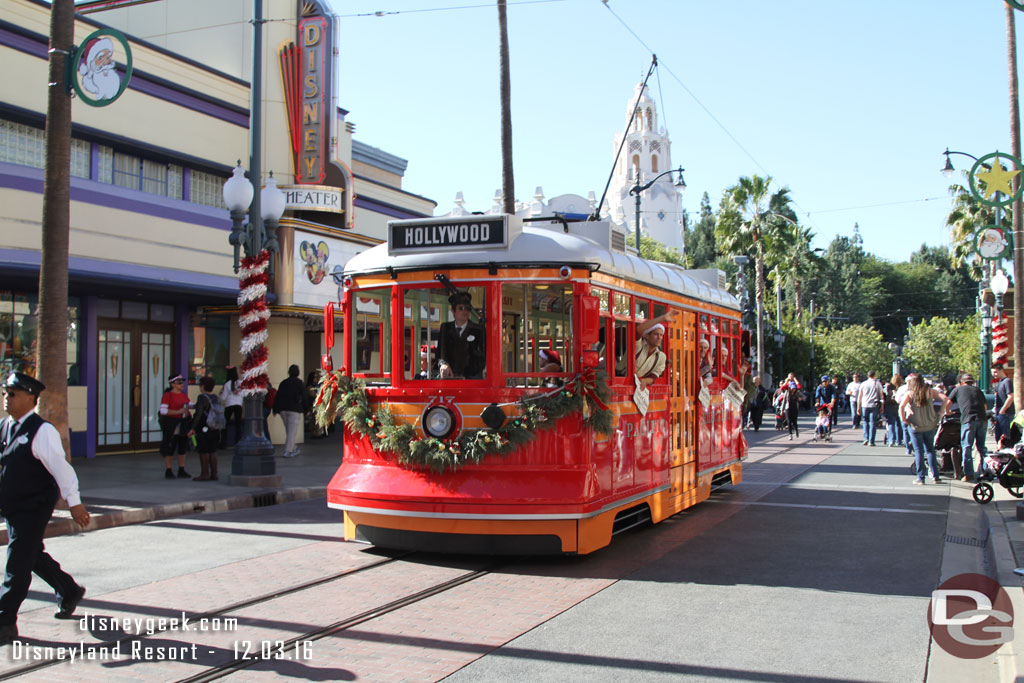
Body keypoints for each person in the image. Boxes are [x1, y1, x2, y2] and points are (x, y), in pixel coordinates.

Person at [0, 372, 90, 644]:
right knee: (30, 553)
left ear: (31, 397)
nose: (7, 398)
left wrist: (74, 503)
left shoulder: (43, 431)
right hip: (13, 504)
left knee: (18, 561)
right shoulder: (6, 426)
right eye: (5, 392)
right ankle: (68, 589)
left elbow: (61, 469)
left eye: (13, 393)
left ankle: (4, 621)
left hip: (35, 505)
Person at [899, 373, 948, 485]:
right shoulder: (930, 391)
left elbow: (901, 406)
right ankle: (935, 476)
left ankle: (921, 477)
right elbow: (945, 398)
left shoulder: (910, 394)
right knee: (930, 450)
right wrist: (940, 412)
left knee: (918, 451)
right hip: (929, 424)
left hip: (915, 425)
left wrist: (904, 419)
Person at [947, 373, 988, 481]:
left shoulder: (958, 389)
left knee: (967, 447)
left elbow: (948, 403)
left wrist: (947, 412)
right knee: (982, 448)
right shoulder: (978, 390)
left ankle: (969, 474)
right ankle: (985, 471)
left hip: (968, 420)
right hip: (982, 420)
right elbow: (985, 406)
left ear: (961, 382)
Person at [437, 292, 486, 379]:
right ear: (453, 310)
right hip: (450, 379)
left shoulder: (479, 330)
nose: (465, 311)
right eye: (461, 308)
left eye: (468, 308)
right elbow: (440, 353)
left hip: (472, 379)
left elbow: (484, 356)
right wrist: (443, 364)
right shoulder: (445, 328)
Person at [188, 376, 221, 481]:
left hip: (204, 427)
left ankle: (205, 473)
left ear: (202, 386)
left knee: (203, 450)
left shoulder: (202, 397)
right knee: (212, 450)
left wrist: (192, 428)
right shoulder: (215, 398)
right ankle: (214, 473)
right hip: (215, 427)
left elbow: (198, 414)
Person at [158, 373, 191, 479]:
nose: (182, 384)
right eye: (179, 382)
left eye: (182, 382)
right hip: (172, 424)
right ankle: (168, 469)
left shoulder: (183, 395)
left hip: (183, 423)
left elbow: (190, 404)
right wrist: (178, 411)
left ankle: (181, 469)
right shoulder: (168, 395)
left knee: (182, 446)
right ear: (172, 384)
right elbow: (163, 411)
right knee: (170, 446)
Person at [273, 364, 309, 458]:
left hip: (283, 410)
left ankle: (293, 447)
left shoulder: (283, 383)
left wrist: (275, 409)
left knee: (289, 431)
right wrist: (307, 409)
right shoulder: (299, 383)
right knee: (292, 432)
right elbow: (305, 397)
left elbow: (278, 396)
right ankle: (288, 451)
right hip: (294, 409)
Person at [635, 311, 676, 388]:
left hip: (637, 386)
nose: (659, 337)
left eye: (661, 335)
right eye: (655, 334)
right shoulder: (638, 345)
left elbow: (654, 376)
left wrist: (645, 381)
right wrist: (662, 318)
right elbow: (639, 330)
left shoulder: (662, 357)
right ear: (647, 335)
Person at [857, 371, 884, 446]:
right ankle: (871, 441)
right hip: (874, 405)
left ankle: (866, 438)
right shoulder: (877, 383)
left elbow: (860, 396)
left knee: (865, 422)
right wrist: (882, 406)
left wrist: (858, 407)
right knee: (873, 423)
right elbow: (881, 395)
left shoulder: (863, 384)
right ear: (874, 375)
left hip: (865, 405)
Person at [219, 366, 243, 448]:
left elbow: (223, 397)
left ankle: (224, 442)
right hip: (239, 405)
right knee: (238, 424)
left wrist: (221, 394)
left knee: (225, 424)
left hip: (229, 405)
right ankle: (238, 441)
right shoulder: (240, 383)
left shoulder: (227, 384)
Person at [994, 364, 1014, 444]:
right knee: (999, 436)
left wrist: (1003, 410)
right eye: (993, 372)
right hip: (1000, 413)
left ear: (1001, 370)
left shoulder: (1007, 381)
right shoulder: (1000, 382)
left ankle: (1006, 453)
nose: (994, 374)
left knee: (1005, 437)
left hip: (1006, 414)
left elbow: (1010, 396)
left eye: (995, 372)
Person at [883, 374, 904, 448]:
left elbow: (886, 395)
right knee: (899, 423)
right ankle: (899, 440)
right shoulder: (902, 387)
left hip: (890, 405)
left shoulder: (889, 386)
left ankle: (891, 440)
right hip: (899, 405)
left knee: (891, 423)